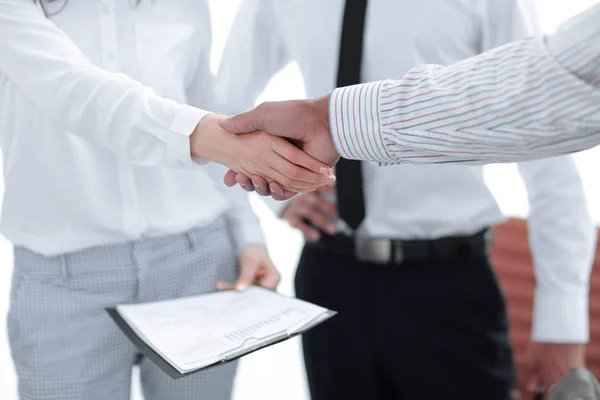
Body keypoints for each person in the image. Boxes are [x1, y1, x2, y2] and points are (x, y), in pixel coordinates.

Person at [216, 1, 596, 399]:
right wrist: (279, 198)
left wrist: (562, 322)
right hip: (329, 278)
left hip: (447, 287)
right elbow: (224, 106)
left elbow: (548, 136)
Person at [0, 1, 333, 399]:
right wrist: (218, 139)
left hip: (198, 263)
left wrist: (249, 236)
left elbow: (209, 107)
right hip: (66, 280)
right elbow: (74, 91)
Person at [220, 2, 600, 197]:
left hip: (450, 276)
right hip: (327, 267)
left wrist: (561, 317)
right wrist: (284, 178)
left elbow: (546, 100)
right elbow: (228, 107)